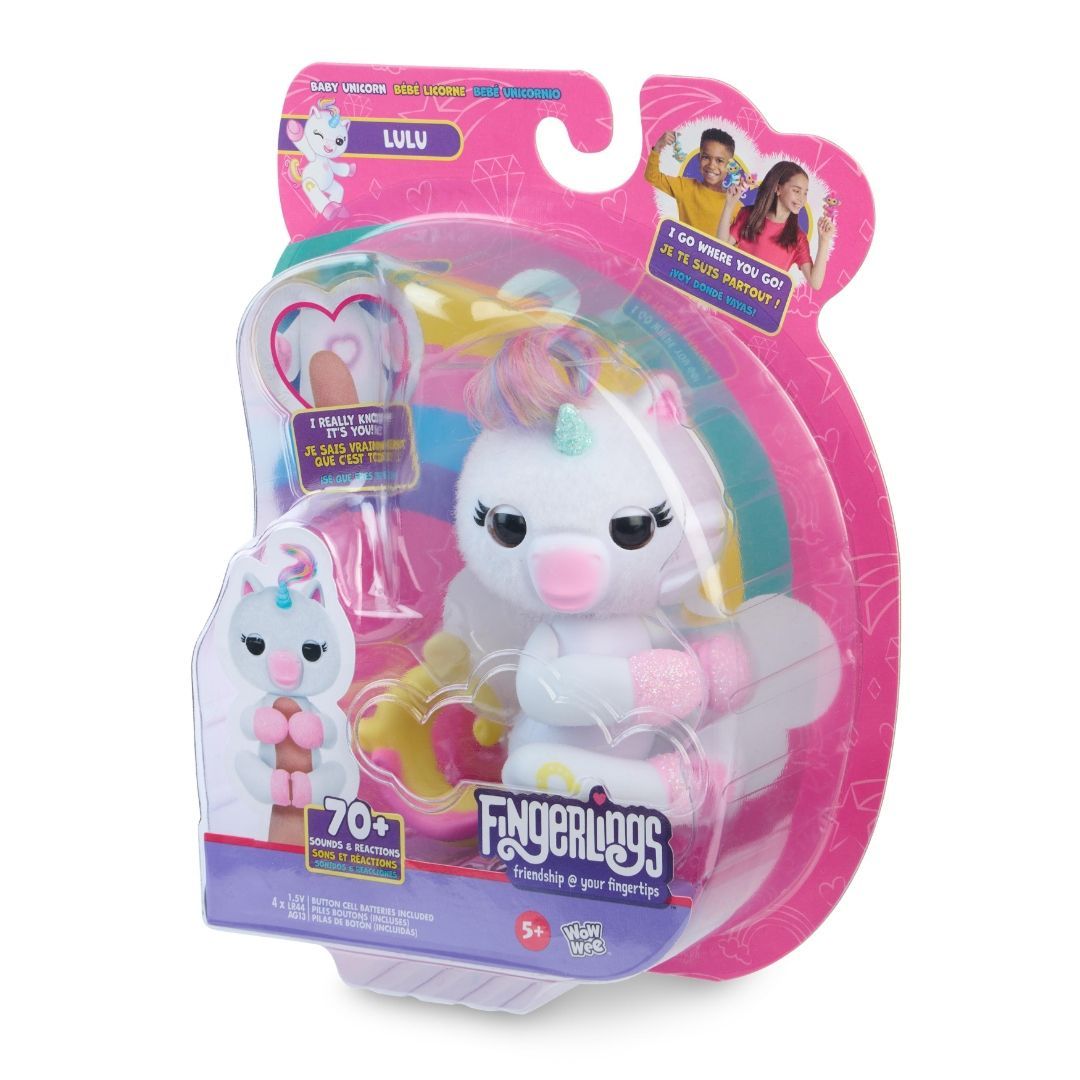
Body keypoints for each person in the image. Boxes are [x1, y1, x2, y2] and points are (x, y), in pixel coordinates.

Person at [718, 160, 834, 289]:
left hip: (764, 300)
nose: (802, 199)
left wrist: (824, 241)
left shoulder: (798, 238)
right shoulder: (749, 216)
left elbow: (815, 283)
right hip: (732, 293)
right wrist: (729, 205)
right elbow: (720, 247)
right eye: (796, 191)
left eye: (805, 193)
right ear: (778, 189)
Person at [645, 128, 737, 236]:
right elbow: (652, 176)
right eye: (706, 157)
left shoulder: (734, 205)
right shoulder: (685, 187)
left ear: (730, 165)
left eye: (719, 160)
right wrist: (658, 148)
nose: (712, 165)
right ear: (699, 158)